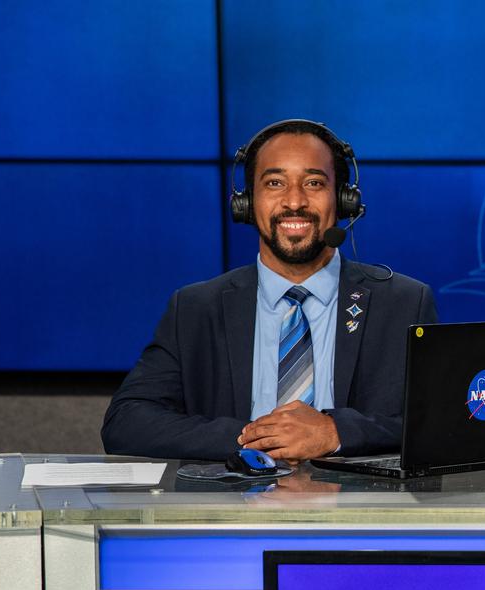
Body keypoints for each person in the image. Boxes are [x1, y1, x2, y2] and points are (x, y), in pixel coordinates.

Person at [103, 119, 437, 462]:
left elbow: (441, 422)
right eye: (275, 183)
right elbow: (126, 423)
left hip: (355, 511)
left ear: (343, 201)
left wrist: (335, 433)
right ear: (246, 203)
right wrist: (259, 438)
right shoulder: (194, 308)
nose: (294, 201)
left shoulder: (404, 303)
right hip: (237, 509)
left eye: (314, 182)